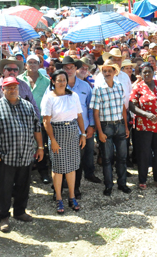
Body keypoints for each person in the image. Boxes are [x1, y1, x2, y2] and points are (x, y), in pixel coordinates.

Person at [0, 77, 43, 232]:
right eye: (8, 87)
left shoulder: (28, 106)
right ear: (2, 90)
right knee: (4, 189)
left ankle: (20, 212)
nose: (12, 90)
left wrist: (41, 147)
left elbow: (37, 127)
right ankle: (3, 216)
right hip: (4, 157)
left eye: (15, 87)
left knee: (23, 186)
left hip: (25, 154)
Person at [41, 70, 87, 214]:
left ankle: (72, 196)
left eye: (64, 80)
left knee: (72, 166)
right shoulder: (49, 97)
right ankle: (59, 198)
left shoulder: (73, 96)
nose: (62, 82)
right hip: (57, 133)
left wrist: (83, 134)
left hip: (72, 131)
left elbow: (79, 116)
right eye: (59, 80)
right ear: (53, 81)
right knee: (58, 168)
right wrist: (52, 140)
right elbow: (46, 121)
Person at [129, 62, 157, 190]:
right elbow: (132, 105)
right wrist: (145, 114)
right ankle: (142, 180)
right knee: (144, 153)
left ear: (153, 72)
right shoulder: (138, 87)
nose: (147, 74)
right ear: (141, 74)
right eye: (144, 72)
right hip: (144, 126)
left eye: (149, 71)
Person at [91, 59, 131, 196]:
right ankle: (108, 185)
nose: (107, 73)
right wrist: (99, 132)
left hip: (119, 124)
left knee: (122, 157)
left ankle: (122, 183)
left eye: (109, 70)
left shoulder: (120, 86)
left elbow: (123, 109)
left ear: (115, 72)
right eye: (104, 71)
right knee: (107, 159)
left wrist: (126, 127)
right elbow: (95, 113)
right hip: (106, 126)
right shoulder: (98, 89)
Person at [60, 55, 98, 196]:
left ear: (76, 68)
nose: (69, 70)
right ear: (62, 69)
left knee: (78, 162)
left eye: (71, 67)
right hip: (62, 131)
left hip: (81, 130)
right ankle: (61, 186)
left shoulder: (85, 86)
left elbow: (90, 108)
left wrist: (91, 126)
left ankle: (75, 188)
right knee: (61, 160)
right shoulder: (56, 85)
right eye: (66, 68)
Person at [17, 55, 52, 184]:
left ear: (39, 65)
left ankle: (43, 172)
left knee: (41, 146)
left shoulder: (46, 81)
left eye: (35, 63)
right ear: (25, 65)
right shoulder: (19, 80)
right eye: (29, 62)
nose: (32, 65)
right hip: (22, 120)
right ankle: (26, 175)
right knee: (24, 147)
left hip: (41, 119)